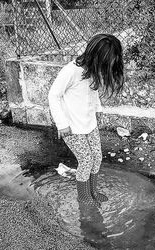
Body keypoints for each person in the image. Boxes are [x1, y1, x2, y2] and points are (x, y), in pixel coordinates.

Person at [48, 34, 124, 207]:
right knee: (86, 160)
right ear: (96, 57)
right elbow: (53, 95)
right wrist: (62, 124)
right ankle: (84, 196)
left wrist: (98, 110)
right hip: (72, 127)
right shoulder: (71, 71)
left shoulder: (92, 70)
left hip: (89, 124)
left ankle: (93, 191)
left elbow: (92, 91)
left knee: (97, 157)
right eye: (106, 63)